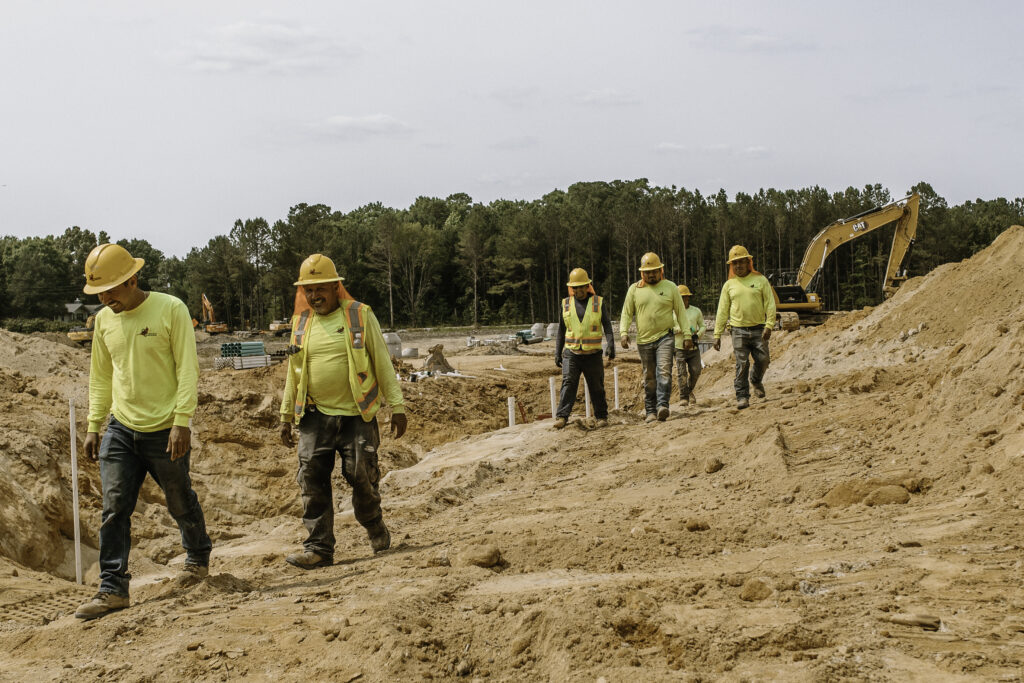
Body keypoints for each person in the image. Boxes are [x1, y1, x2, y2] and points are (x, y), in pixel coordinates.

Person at [75, 244, 210, 620]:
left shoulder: (171, 309)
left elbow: (187, 368)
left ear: (133, 279)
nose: (105, 298)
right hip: (120, 427)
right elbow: (100, 376)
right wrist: (93, 425)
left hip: (165, 427)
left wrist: (182, 420)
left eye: (111, 290)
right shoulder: (103, 321)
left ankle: (198, 556)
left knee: (178, 497)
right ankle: (112, 589)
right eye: (99, 292)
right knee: (114, 507)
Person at [279, 254, 407, 570]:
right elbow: (292, 373)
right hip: (313, 415)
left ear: (336, 287)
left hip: (356, 415)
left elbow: (382, 362)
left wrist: (397, 406)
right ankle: (319, 548)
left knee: (362, 475)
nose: (314, 296)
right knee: (311, 479)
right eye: (308, 291)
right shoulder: (301, 323)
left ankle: (372, 521)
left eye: (320, 289)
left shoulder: (360, 316)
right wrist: (285, 415)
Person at [620, 252, 686, 422]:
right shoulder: (634, 290)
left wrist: (687, 334)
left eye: (654, 271)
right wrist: (624, 333)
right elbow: (627, 313)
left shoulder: (670, 287)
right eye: (648, 272)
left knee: (664, 371)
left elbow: (681, 313)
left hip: (665, 336)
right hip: (644, 341)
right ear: (642, 273)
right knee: (649, 376)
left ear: (660, 270)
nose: (651, 274)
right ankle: (650, 410)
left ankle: (662, 405)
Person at [712, 245, 776, 409]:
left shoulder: (760, 280)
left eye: (741, 262)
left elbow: (770, 304)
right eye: (735, 263)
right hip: (738, 330)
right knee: (742, 364)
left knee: (763, 360)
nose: (738, 266)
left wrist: (769, 325)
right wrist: (717, 334)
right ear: (731, 266)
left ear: (749, 262)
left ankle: (755, 380)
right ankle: (742, 396)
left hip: (758, 329)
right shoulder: (729, 285)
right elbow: (722, 310)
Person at [553, 268, 615, 429]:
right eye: (575, 287)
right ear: (571, 288)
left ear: (588, 286)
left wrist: (611, 343)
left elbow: (607, 325)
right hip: (571, 353)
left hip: (592, 354)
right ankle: (562, 416)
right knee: (568, 382)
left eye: (582, 286)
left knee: (597, 386)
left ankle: (601, 416)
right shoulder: (566, 304)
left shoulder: (597, 302)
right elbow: (561, 330)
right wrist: (557, 351)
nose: (578, 290)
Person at [673, 284, 705, 405]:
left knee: (696, 371)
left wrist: (698, 335)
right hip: (679, 347)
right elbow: (670, 327)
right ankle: (684, 397)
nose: (684, 300)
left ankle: (689, 391)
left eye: (686, 297)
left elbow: (702, 326)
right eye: (681, 297)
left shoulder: (696, 311)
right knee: (682, 373)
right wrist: (680, 329)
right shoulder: (672, 313)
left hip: (693, 347)